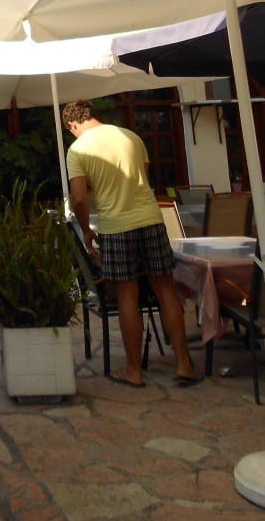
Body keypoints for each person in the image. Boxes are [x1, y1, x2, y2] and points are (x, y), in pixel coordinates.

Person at [63, 99, 202, 388]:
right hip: (150, 219)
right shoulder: (132, 137)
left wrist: (87, 231)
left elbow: (78, 198)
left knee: (127, 295)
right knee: (166, 290)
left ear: (72, 125)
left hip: (116, 227)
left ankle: (133, 371)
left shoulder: (78, 149)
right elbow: (143, 179)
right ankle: (184, 364)